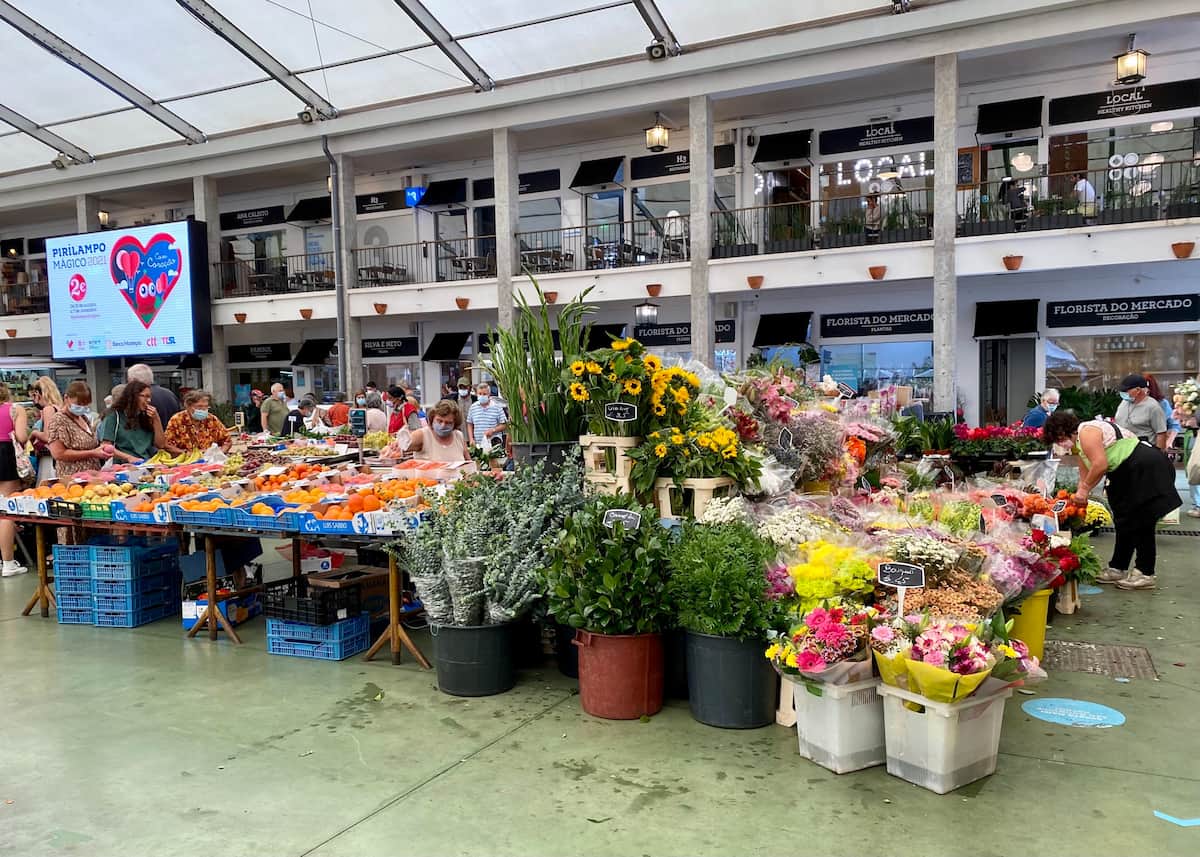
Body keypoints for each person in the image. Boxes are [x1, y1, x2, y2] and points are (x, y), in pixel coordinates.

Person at [1044, 410, 1180, 591]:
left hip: (1144, 467)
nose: (1060, 446)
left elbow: (1100, 464)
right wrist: (1079, 495)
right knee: (1124, 520)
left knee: (1141, 521)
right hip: (1126, 471)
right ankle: (1118, 567)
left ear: (1062, 432)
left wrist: (1084, 491)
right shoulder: (1079, 444)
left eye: (1058, 440)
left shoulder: (1086, 432)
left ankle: (1145, 572)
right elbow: (1086, 472)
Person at [48, 382, 113, 481]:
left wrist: (101, 450)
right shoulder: (58, 420)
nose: (82, 407)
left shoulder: (83, 418)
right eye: (79, 404)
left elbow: (91, 445)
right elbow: (58, 453)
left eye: (86, 405)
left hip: (93, 477)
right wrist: (92, 453)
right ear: (66, 398)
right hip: (74, 479)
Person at [96, 380, 167, 462]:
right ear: (133, 396)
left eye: (150, 397)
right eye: (145, 396)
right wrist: (129, 458)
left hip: (147, 462)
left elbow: (161, 444)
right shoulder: (114, 416)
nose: (149, 400)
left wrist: (156, 419)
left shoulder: (145, 416)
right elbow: (105, 446)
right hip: (122, 465)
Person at [0, 382, 30, 576]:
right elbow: (20, 436)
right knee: (6, 509)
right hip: (5, 455)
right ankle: (8, 562)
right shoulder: (15, 409)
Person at [399, 400, 472, 462]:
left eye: (448, 423)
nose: (443, 425)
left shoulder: (459, 436)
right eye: (439, 421)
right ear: (432, 418)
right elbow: (402, 447)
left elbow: (468, 463)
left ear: (455, 424)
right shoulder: (422, 435)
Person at [164, 390, 232, 454]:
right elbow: (167, 445)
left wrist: (220, 453)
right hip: (185, 461)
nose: (203, 410)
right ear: (188, 406)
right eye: (199, 407)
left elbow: (227, 441)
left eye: (206, 407)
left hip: (209, 461)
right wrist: (185, 454)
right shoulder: (177, 420)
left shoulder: (212, 419)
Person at [1114, 374, 1167, 449]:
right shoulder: (1124, 402)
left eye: (1126, 391)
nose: (1123, 393)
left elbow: (1161, 433)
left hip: (1144, 450)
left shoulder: (1153, 407)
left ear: (1138, 390)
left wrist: (1159, 454)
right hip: (1124, 449)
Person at [28, 376, 63, 485]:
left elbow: (48, 437)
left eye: (32, 396)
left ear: (38, 394)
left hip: (48, 459)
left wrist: (34, 433)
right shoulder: (59, 408)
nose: (32, 400)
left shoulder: (48, 409)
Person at [1145, 373, 1181, 451]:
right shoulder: (1132, 404)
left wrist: (1169, 442)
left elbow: (1174, 424)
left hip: (1159, 445)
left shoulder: (1162, 404)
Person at [467, 382, 507, 449]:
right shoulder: (473, 407)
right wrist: (471, 439)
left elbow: (504, 424)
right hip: (478, 445)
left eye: (484, 394)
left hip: (494, 445)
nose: (482, 396)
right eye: (480, 394)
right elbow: (470, 423)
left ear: (489, 394)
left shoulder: (497, 407)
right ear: (476, 394)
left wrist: (493, 430)